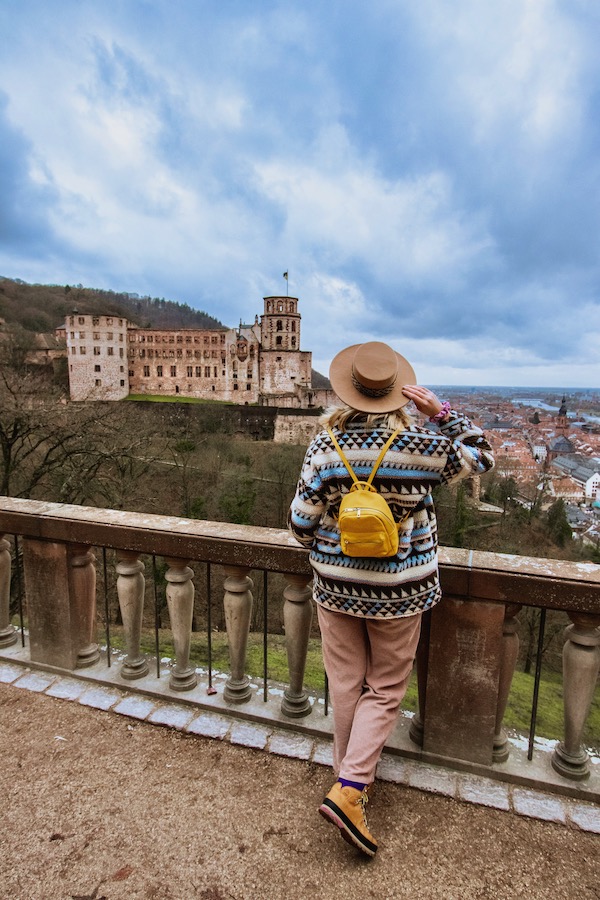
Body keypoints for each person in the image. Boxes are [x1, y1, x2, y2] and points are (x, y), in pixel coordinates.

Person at [288, 340, 494, 857]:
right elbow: (482, 456)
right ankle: (351, 790)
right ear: (397, 394)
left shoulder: (324, 447)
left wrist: (333, 549)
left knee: (345, 684)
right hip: (401, 589)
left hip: (334, 585)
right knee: (384, 687)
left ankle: (345, 780)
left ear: (346, 392)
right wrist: (442, 413)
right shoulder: (423, 448)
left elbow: (299, 523)